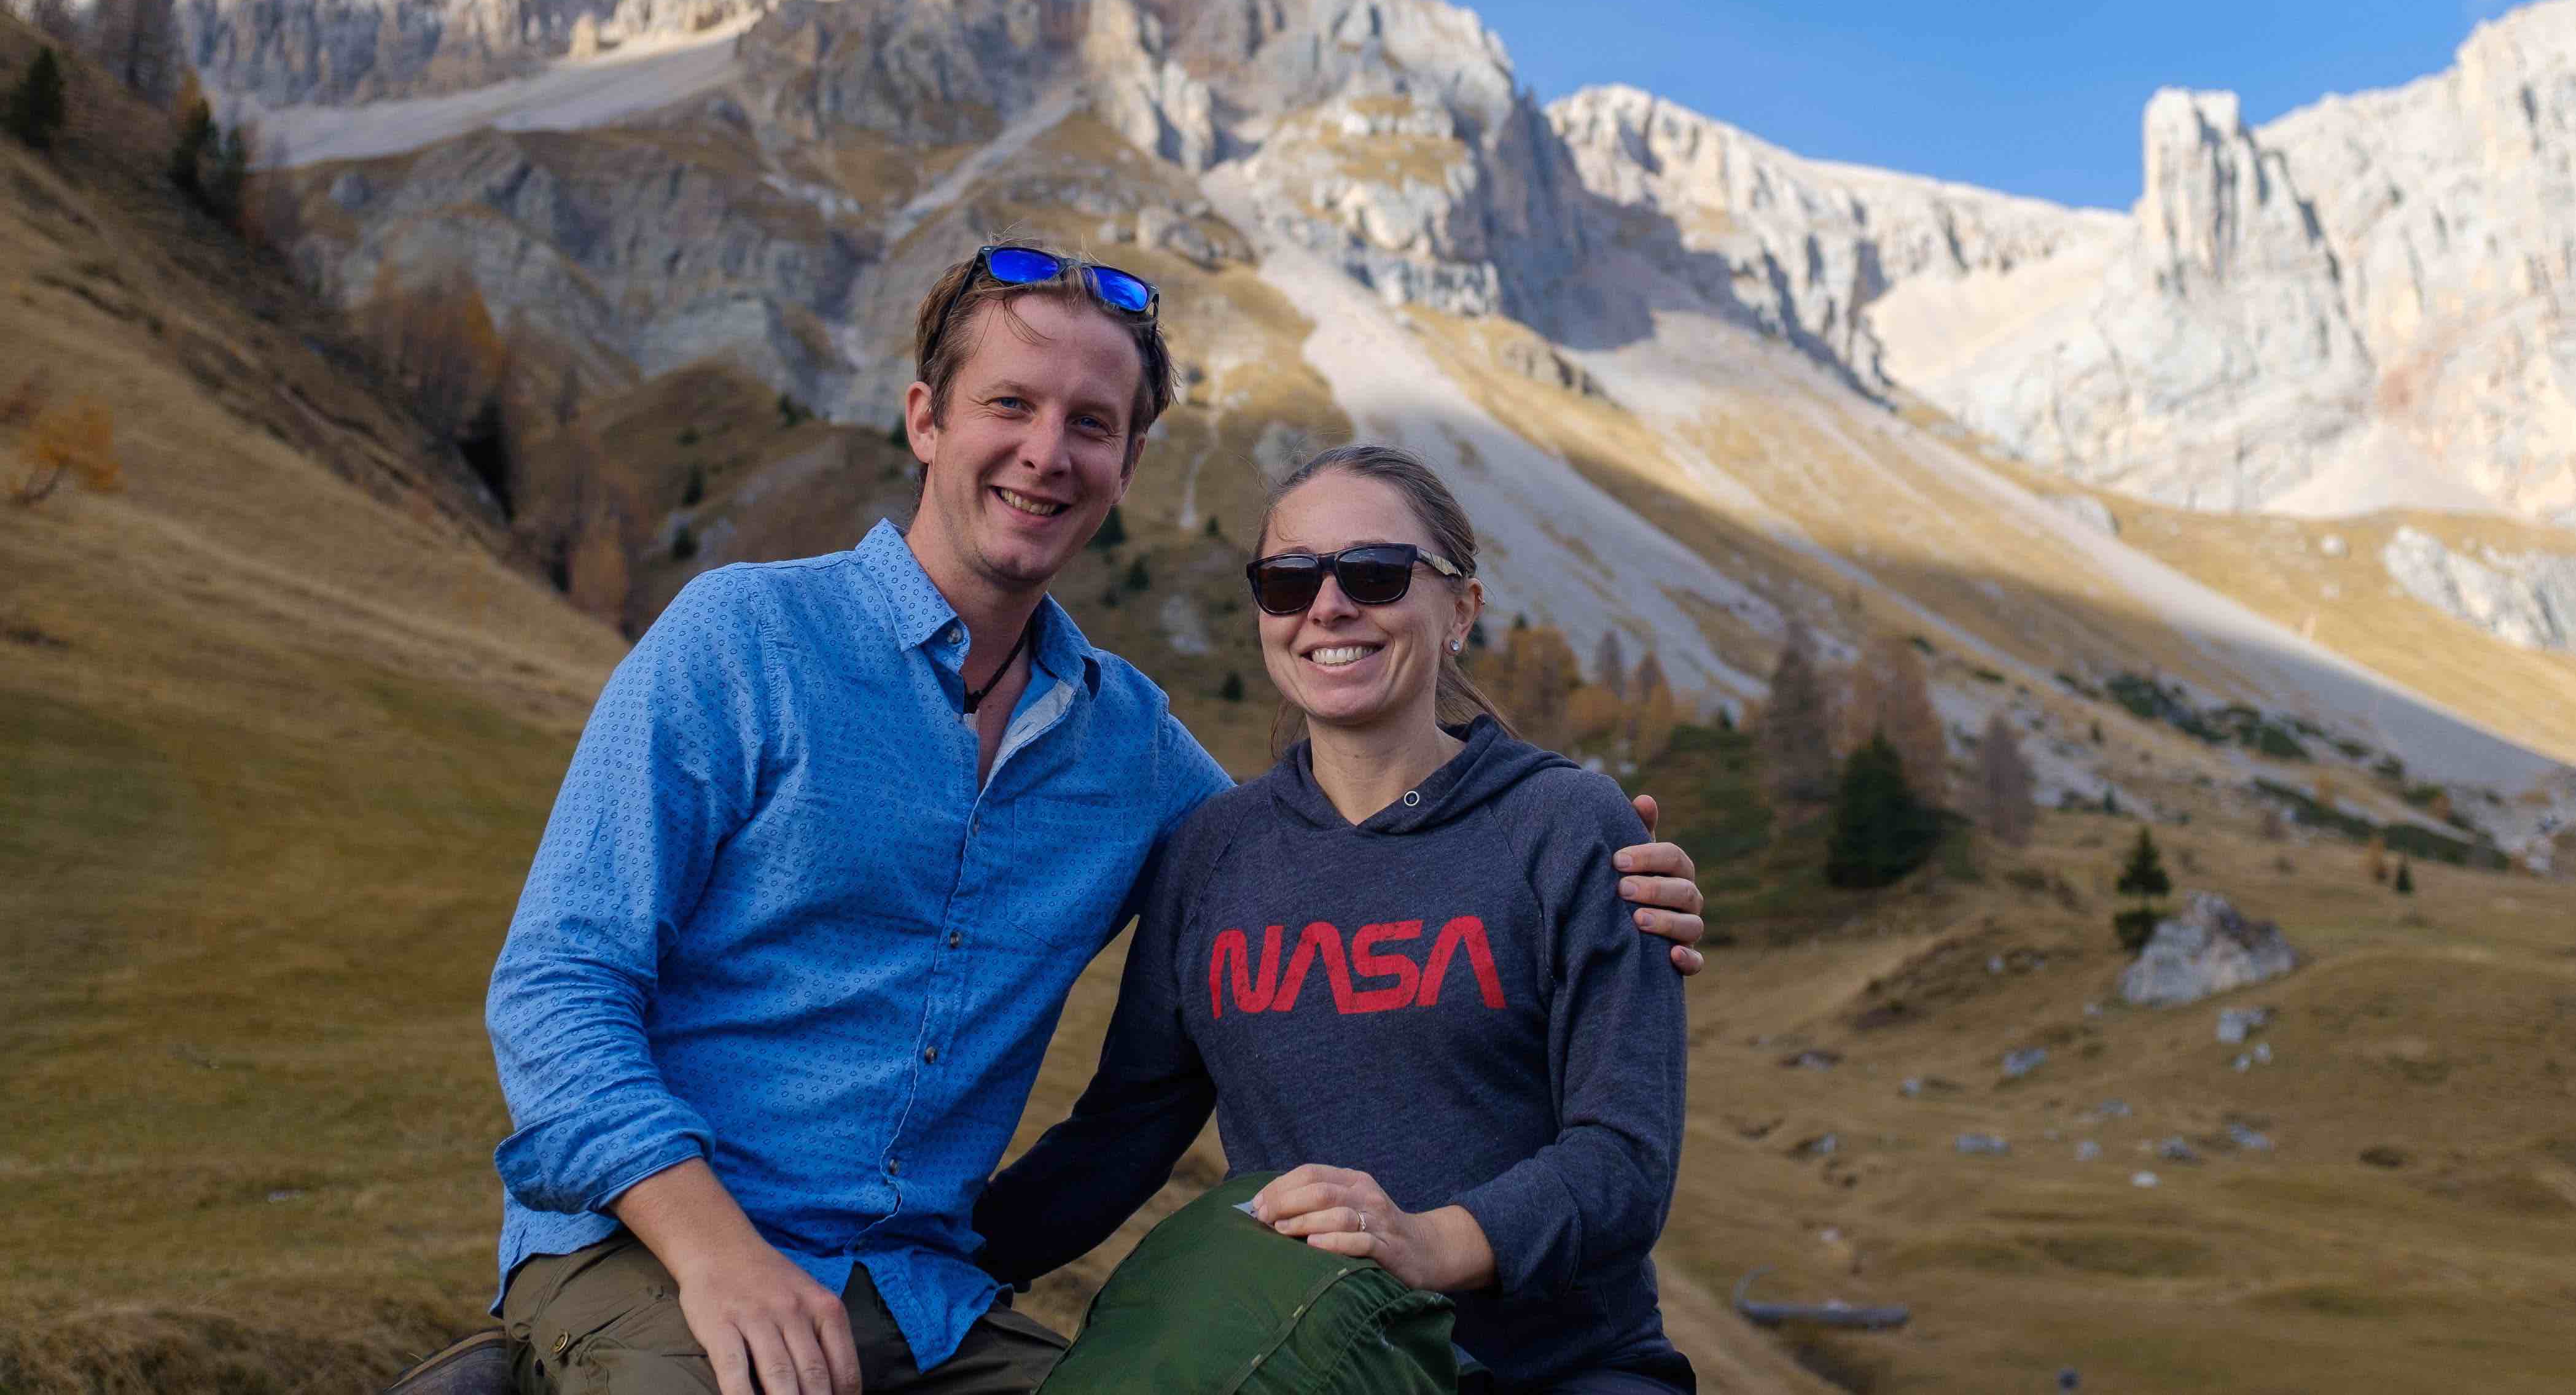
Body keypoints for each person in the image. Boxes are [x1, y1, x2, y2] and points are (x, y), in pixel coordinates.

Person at [455, 247, 1710, 1395]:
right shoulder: (741, 641)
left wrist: (1617, 877)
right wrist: (716, 1253)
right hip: (667, 1247)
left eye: (1091, 425)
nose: (1046, 452)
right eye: (1011, 404)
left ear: (1125, 468)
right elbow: (558, 990)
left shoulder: (1143, 759)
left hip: (922, 1292)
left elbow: (1336, 855)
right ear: (925, 418)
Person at [974, 444, 1692, 1393]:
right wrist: (926, 1257)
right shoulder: (1212, 850)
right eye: (1287, 580)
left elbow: (1624, 1162)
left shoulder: (1563, 828)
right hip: (1325, 1364)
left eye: (1374, 574)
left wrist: (1428, 1242)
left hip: (1562, 1369)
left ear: (1459, 612)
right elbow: (1123, 1135)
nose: (1328, 607)